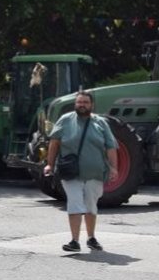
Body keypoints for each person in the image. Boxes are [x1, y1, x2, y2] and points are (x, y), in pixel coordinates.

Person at [43, 89, 118, 252]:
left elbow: (111, 147)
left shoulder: (100, 123)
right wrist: (49, 164)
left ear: (92, 105)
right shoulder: (65, 120)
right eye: (79, 102)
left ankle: (91, 238)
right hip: (70, 172)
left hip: (95, 172)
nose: (82, 105)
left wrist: (114, 168)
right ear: (75, 104)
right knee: (75, 203)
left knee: (91, 206)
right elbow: (54, 143)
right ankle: (74, 241)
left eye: (85, 102)